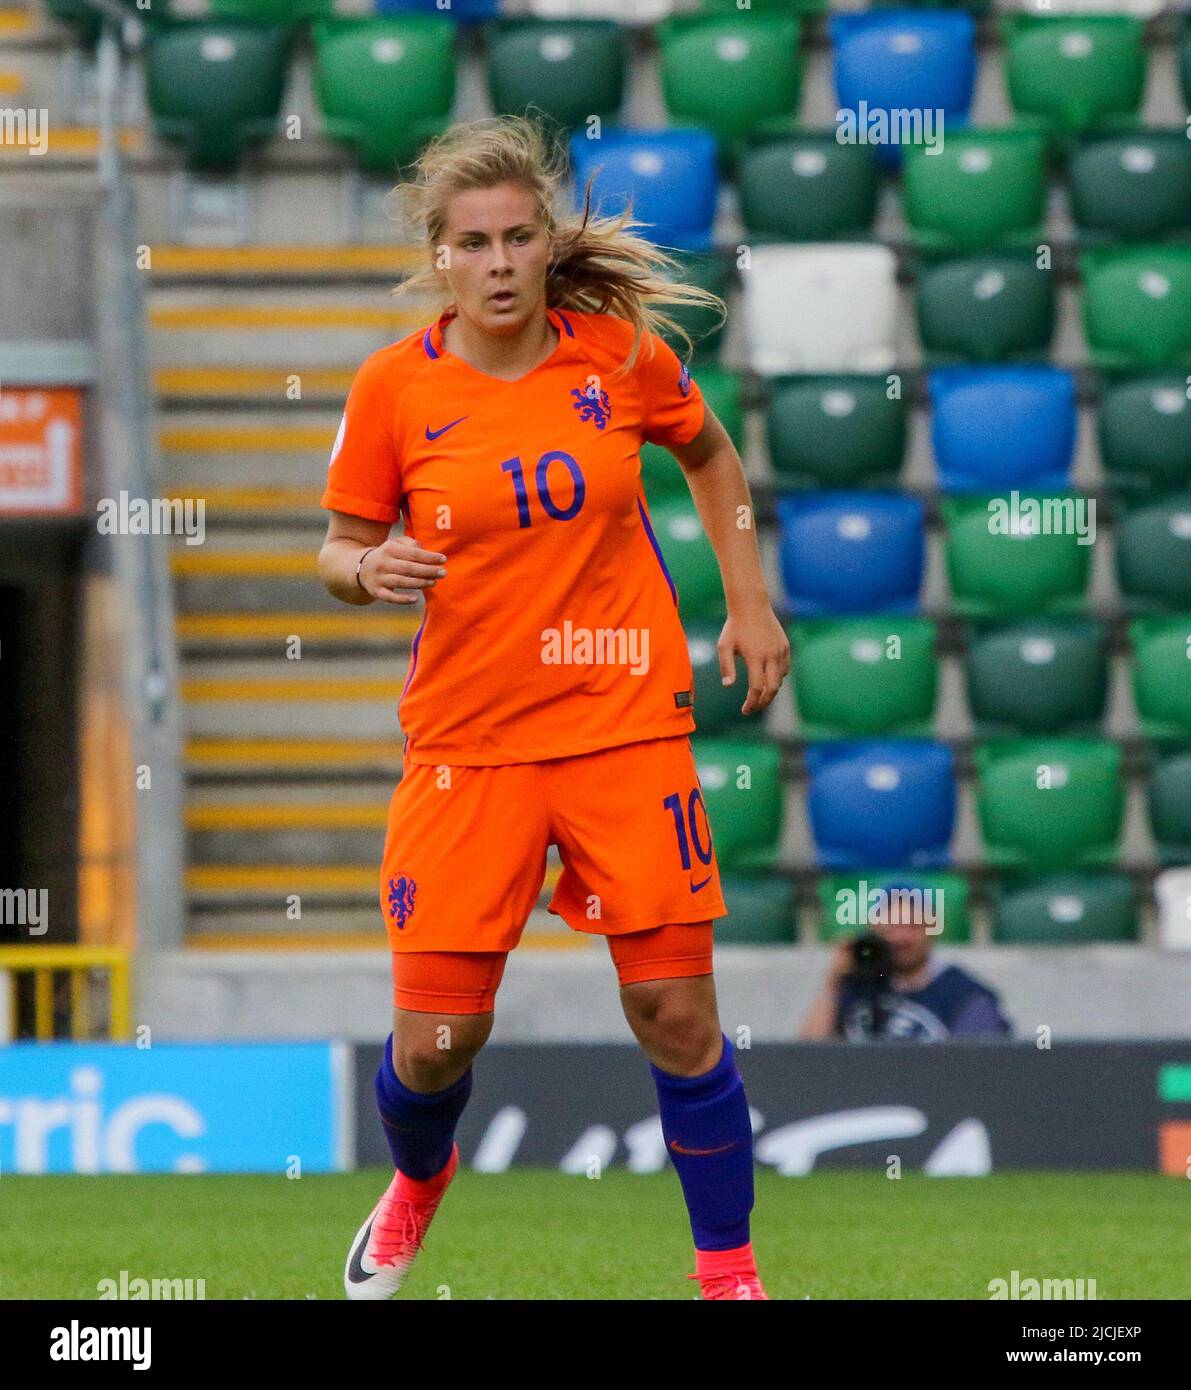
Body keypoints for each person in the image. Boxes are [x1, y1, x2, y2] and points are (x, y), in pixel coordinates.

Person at [317, 116, 790, 1301]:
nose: (498, 260)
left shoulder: (617, 357)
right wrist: (366, 570)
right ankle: (420, 1179)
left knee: (676, 1013)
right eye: (473, 242)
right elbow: (337, 546)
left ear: (544, 243)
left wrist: (749, 605)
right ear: (441, 257)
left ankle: (728, 1275)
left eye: (519, 235)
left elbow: (714, 456)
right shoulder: (392, 388)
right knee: (434, 1046)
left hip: (626, 728)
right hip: (468, 749)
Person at [800, 886, 1012, 1042]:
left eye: (912, 927)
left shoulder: (963, 995)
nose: (899, 939)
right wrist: (833, 983)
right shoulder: (860, 984)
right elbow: (809, 1057)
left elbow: (976, 1069)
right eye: (889, 928)